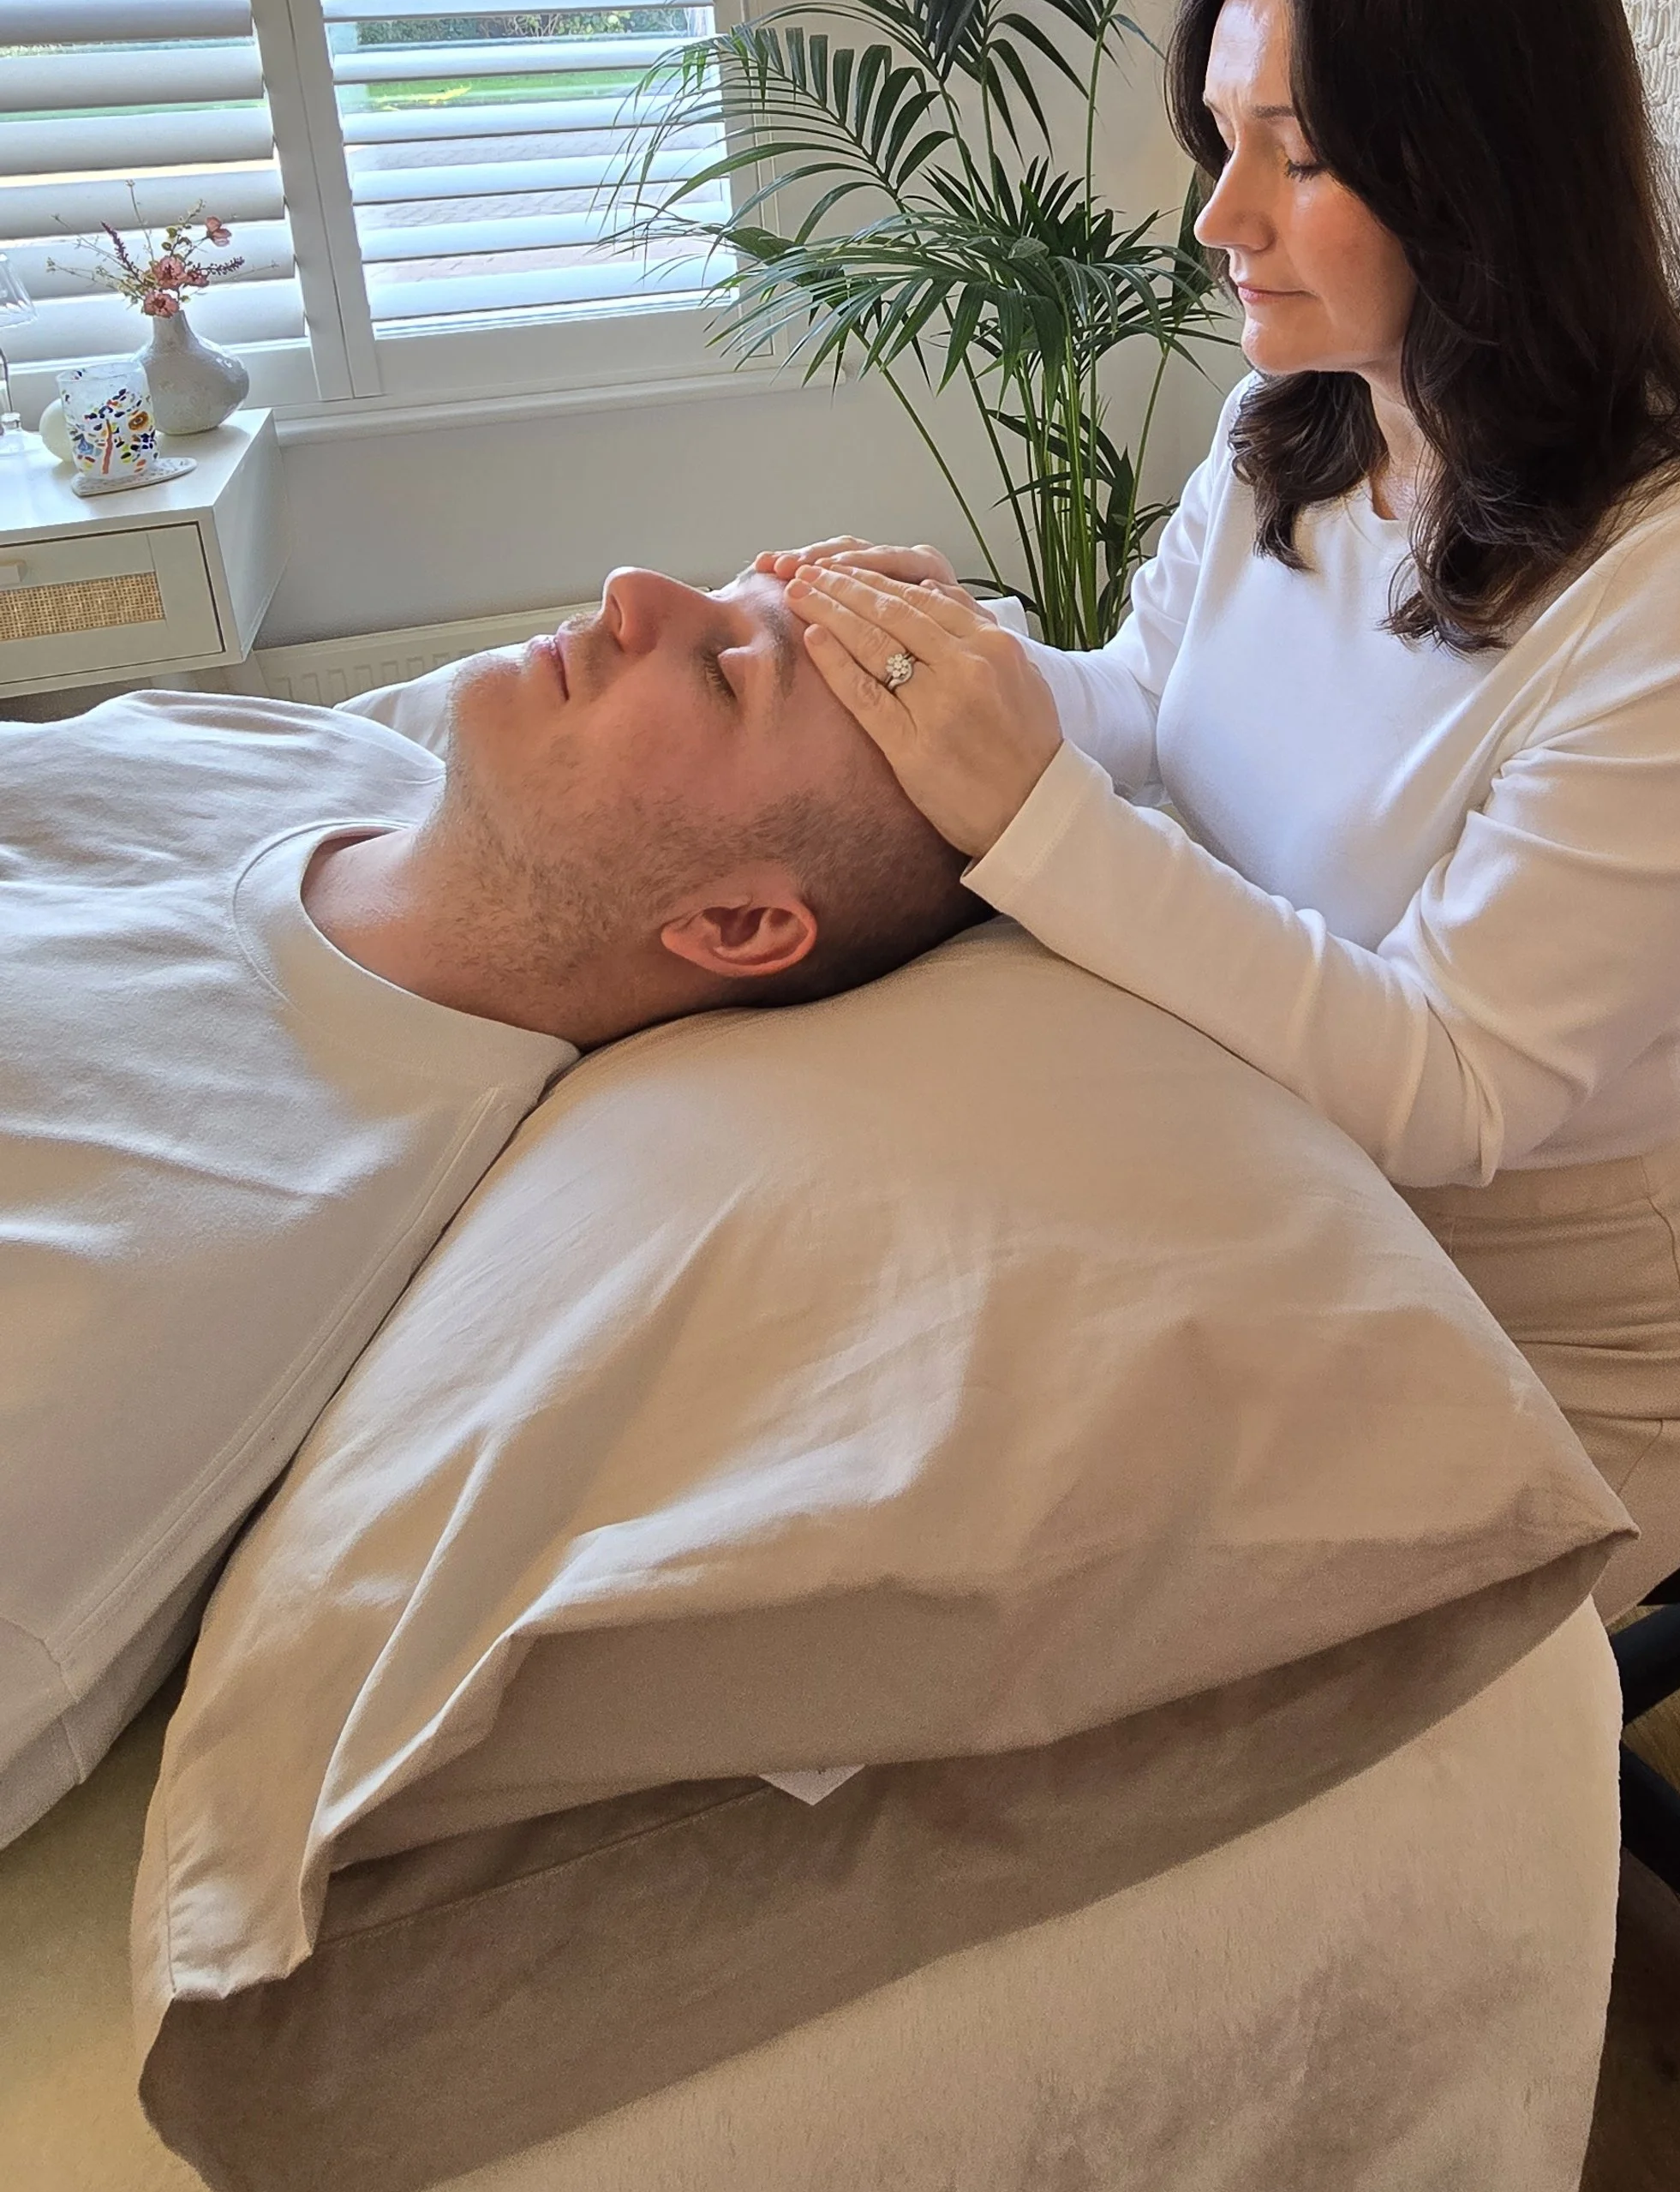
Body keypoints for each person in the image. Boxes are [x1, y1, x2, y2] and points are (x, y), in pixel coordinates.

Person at [768, 0, 1680, 1609]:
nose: (1219, 219)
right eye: (1222, 138)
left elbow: (1452, 1083)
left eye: (1300, 154)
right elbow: (1148, 701)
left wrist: (1028, 813)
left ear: (1476, 176)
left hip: (1576, 1332)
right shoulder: (1303, 407)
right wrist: (948, 671)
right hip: (1311, 1198)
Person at [0, 566, 976, 1848]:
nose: (634, 591)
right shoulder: (308, 747)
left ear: (737, 922)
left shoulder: (206, 1256)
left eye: (727, 670)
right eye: (720, 594)